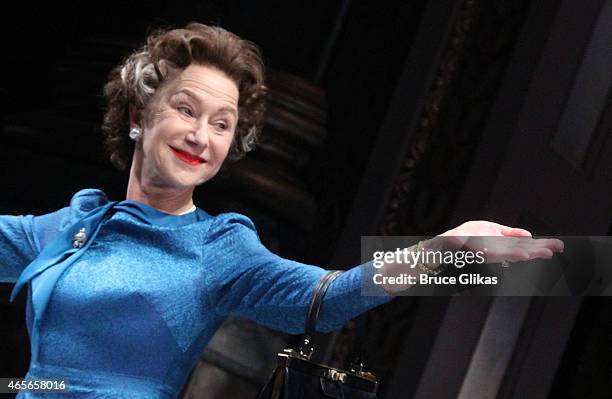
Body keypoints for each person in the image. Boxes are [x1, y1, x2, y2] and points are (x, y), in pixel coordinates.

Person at [0, 23, 562, 398]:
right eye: (185, 109)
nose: (201, 135)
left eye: (221, 124)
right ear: (138, 116)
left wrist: (443, 253)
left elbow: (330, 297)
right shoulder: (74, 224)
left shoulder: (218, 247)